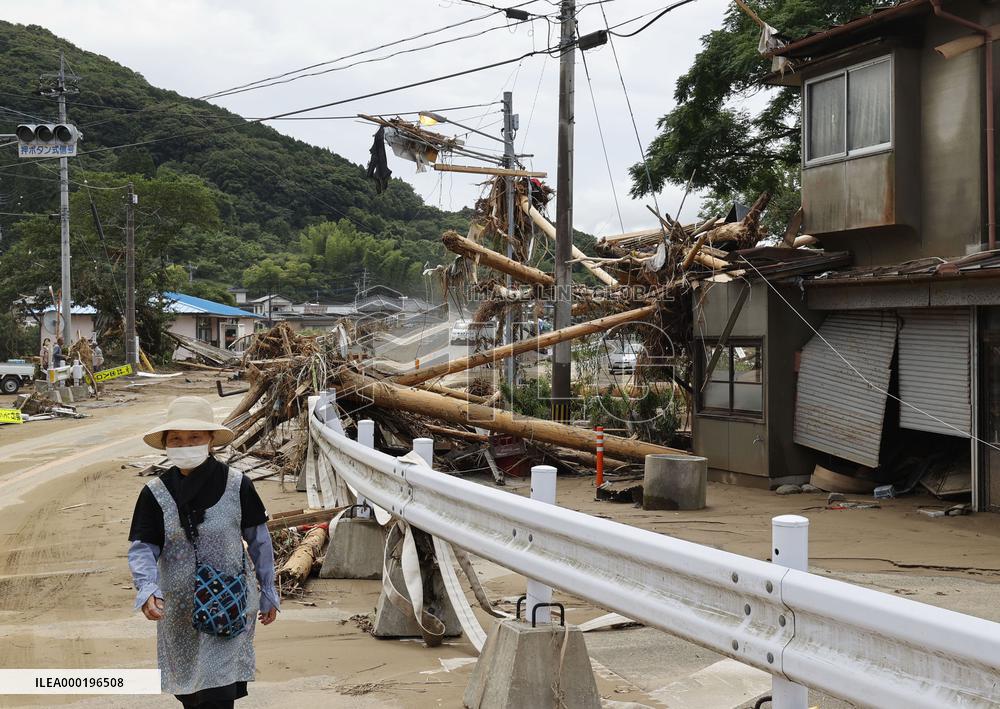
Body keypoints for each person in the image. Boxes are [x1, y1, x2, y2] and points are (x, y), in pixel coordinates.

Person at [128, 396, 279, 708]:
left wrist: (268, 591)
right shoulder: (154, 493)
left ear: (210, 440)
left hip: (229, 605)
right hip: (177, 611)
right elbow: (143, 547)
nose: (186, 444)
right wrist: (147, 588)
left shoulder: (238, 485)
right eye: (177, 439)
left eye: (194, 437)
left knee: (217, 693)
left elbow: (260, 542)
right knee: (189, 693)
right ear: (166, 445)